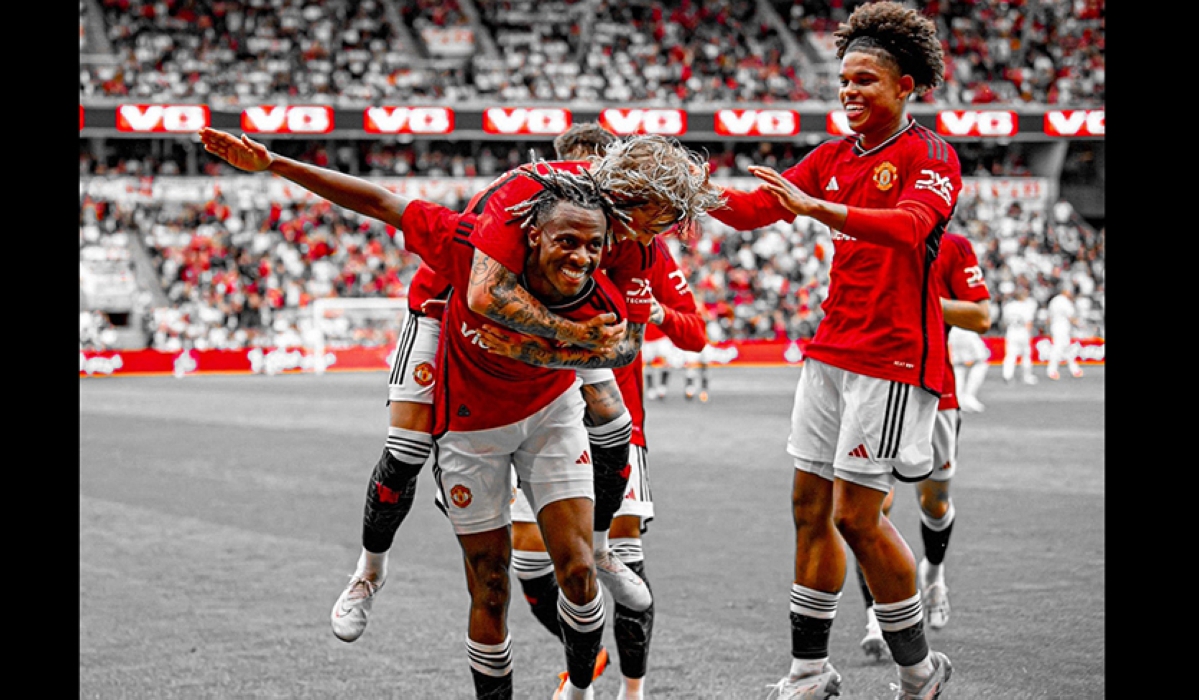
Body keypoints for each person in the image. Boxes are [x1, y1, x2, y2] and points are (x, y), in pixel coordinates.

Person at [705, 3, 958, 697]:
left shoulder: (930, 155)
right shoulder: (832, 156)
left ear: (905, 86)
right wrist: (682, 189)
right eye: (844, 80)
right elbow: (752, 210)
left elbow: (909, 228)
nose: (849, 91)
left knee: (856, 516)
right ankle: (809, 671)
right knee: (809, 510)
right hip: (830, 352)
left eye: (865, 80)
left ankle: (919, 671)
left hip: (893, 357)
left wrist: (817, 209)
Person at [856, 230, 991, 660]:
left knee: (935, 503)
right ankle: (877, 615)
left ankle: (934, 574)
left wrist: (920, 301)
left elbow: (981, 317)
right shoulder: (864, 235)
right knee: (868, 509)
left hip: (935, 390)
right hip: (874, 387)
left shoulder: (952, 247)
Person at [1001, 284, 1040, 385]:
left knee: (1010, 355)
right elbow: (1028, 322)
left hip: (1011, 331)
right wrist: (1030, 334)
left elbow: (1005, 321)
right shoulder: (1026, 307)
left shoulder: (1008, 306)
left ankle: (1007, 375)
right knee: (1026, 355)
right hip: (1023, 332)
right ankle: (1026, 376)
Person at [946, 326, 989, 413]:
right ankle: (969, 396)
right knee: (981, 362)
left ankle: (958, 398)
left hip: (952, 332)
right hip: (967, 330)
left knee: (958, 365)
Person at [1045, 284, 1084, 380]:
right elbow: (1071, 317)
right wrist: (1080, 325)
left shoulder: (1054, 300)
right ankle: (1051, 370)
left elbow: (1049, 317)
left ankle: (1074, 369)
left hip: (1055, 326)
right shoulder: (1065, 301)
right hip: (1062, 327)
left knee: (1066, 348)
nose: (1070, 293)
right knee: (1058, 348)